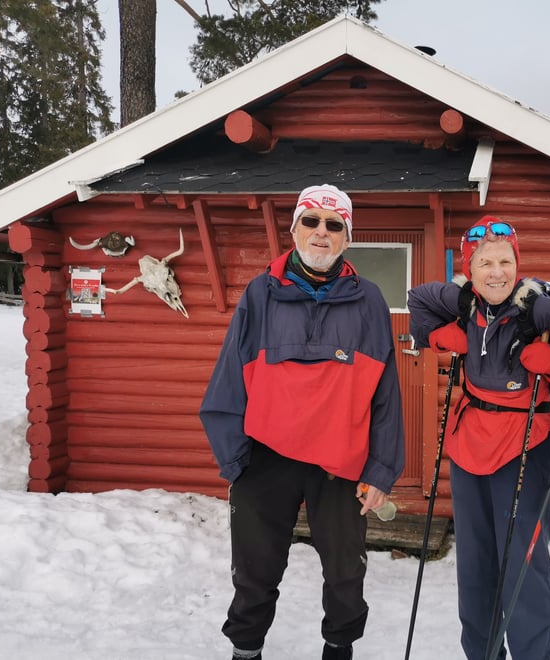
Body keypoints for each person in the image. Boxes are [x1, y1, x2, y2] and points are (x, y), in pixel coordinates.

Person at [199, 184, 405, 660]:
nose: (321, 233)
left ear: (347, 237)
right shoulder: (259, 293)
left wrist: (381, 471)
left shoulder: (369, 300)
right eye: (310, 221)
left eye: (334, 225)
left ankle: (339, 649)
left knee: (345, 574)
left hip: (341, 461)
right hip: (265, 457)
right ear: (293, 229)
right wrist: (236, 462)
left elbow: (386, 393)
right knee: (255, 569)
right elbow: (230, 376)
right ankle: (246, 650)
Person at [408, 216, 550, 660]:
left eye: (505, 261)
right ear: (470, 267)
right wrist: (436, 333)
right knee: (475, 564)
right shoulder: (460, 300)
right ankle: (482, 653)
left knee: (523, 562)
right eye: (485, 262)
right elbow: (416, 298)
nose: (496, 272)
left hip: (525, 443)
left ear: (518, 262)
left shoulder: (539, 308)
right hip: (470, 442)